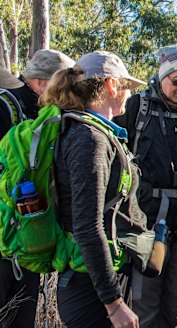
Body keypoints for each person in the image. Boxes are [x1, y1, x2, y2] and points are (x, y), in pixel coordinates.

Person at [38, 51, 146, 328]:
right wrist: (114, 304)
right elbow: (87, 225)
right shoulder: (89, 139)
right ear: (111, 85)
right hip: (89, 291)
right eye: (126, 87)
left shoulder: (93, 132)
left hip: (95, 281)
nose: (128, 95)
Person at [113, 44, 177, 327]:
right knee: (147, 304)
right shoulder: (138, 106)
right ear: (161, 78)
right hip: (146, 220)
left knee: (174, 305)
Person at [0, 49, 74, 328]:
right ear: (43, 82)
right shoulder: (7, 106)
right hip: (11, 236)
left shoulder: (39, 112)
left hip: (25, 237)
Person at [0, 49, 75, 137]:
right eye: (60, 85)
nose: (62, 92)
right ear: (40, 81)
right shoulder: (4, 104)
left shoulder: (38, 105)